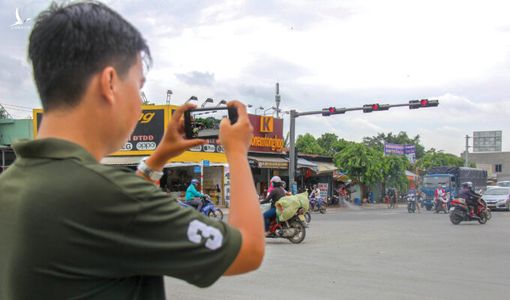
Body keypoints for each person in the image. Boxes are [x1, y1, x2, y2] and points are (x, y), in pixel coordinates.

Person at [0, 2, 264, 299]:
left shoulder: (11, 184)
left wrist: (160, 156)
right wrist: (238, 153)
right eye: (138, 87)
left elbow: (115, 218)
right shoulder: (109, 196)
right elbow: (248, 249)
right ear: (110, 82)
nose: (140, 104)